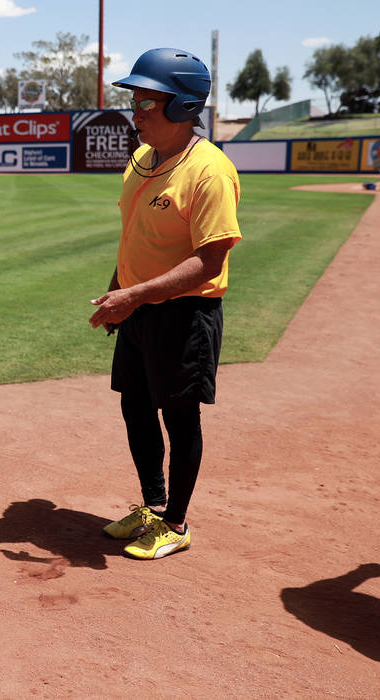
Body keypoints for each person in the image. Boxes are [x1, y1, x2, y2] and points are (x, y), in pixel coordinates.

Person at [88, 47, 242, 560]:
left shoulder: (209, 172)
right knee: (135, 407)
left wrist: (134, 295)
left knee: (180, 418)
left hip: (184, 313)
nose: (136, 113)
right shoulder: (140, 161)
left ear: (181, 107)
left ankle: (175, 523)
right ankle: (154, 506)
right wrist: (120, 294)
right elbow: (133, 236)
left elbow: (209, 262)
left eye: (146, 104)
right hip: (138, 309)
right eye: (135, 102)